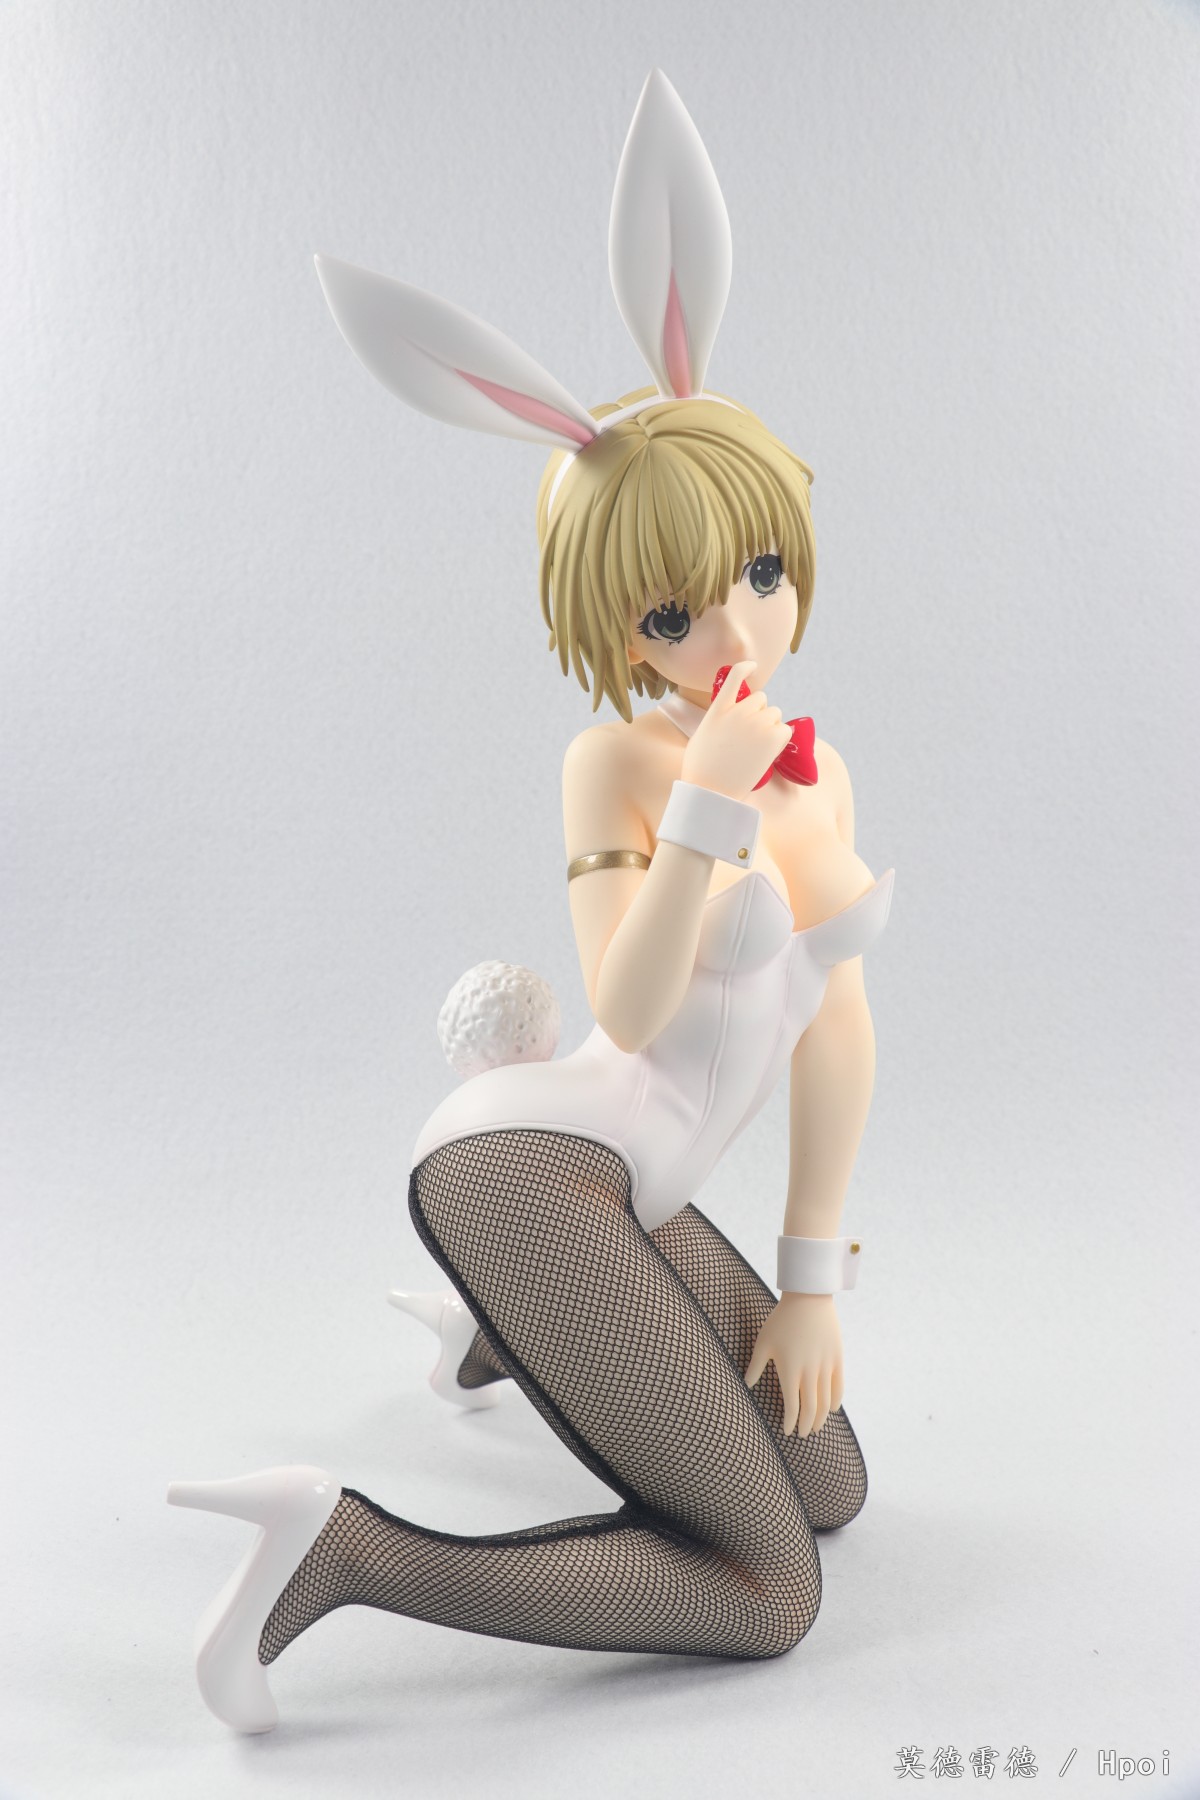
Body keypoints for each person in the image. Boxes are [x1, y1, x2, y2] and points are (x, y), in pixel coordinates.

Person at [168, 69, 894, 1735]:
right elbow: (631, 1008)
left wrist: (811, 1279)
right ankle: (340, 1552)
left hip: (635, 1180)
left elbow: (840, 1029)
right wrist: (704, 809)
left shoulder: (823, 778)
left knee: (832, 1484)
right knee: (772, 1588)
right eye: (673, 615)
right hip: (529, 1172)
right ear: (614, 625)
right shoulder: (617, 766)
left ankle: (499, 1338)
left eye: (759, 575)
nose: (733, 635)